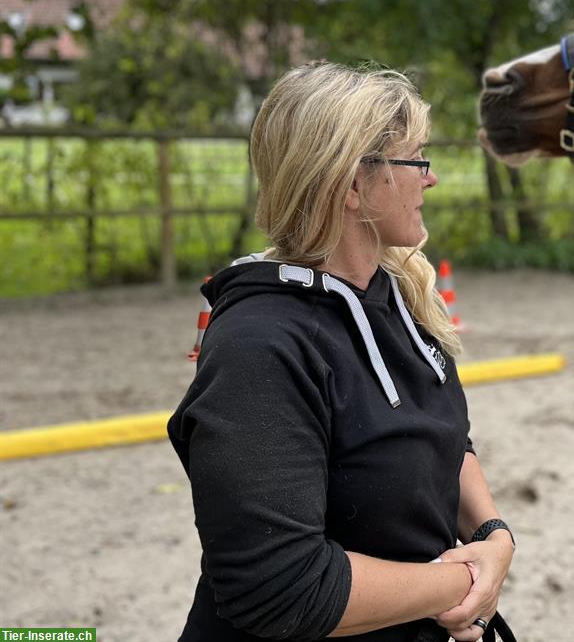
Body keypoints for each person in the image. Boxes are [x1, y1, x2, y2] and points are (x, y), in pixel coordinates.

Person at [168, 61, 515, 641]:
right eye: (416, 159)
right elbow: (280, 589)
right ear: (353, 184)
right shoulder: (259, 347)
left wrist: (491, 535)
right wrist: (459, 586)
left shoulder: (400, 293)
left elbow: (439, 440)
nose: (431, 178)